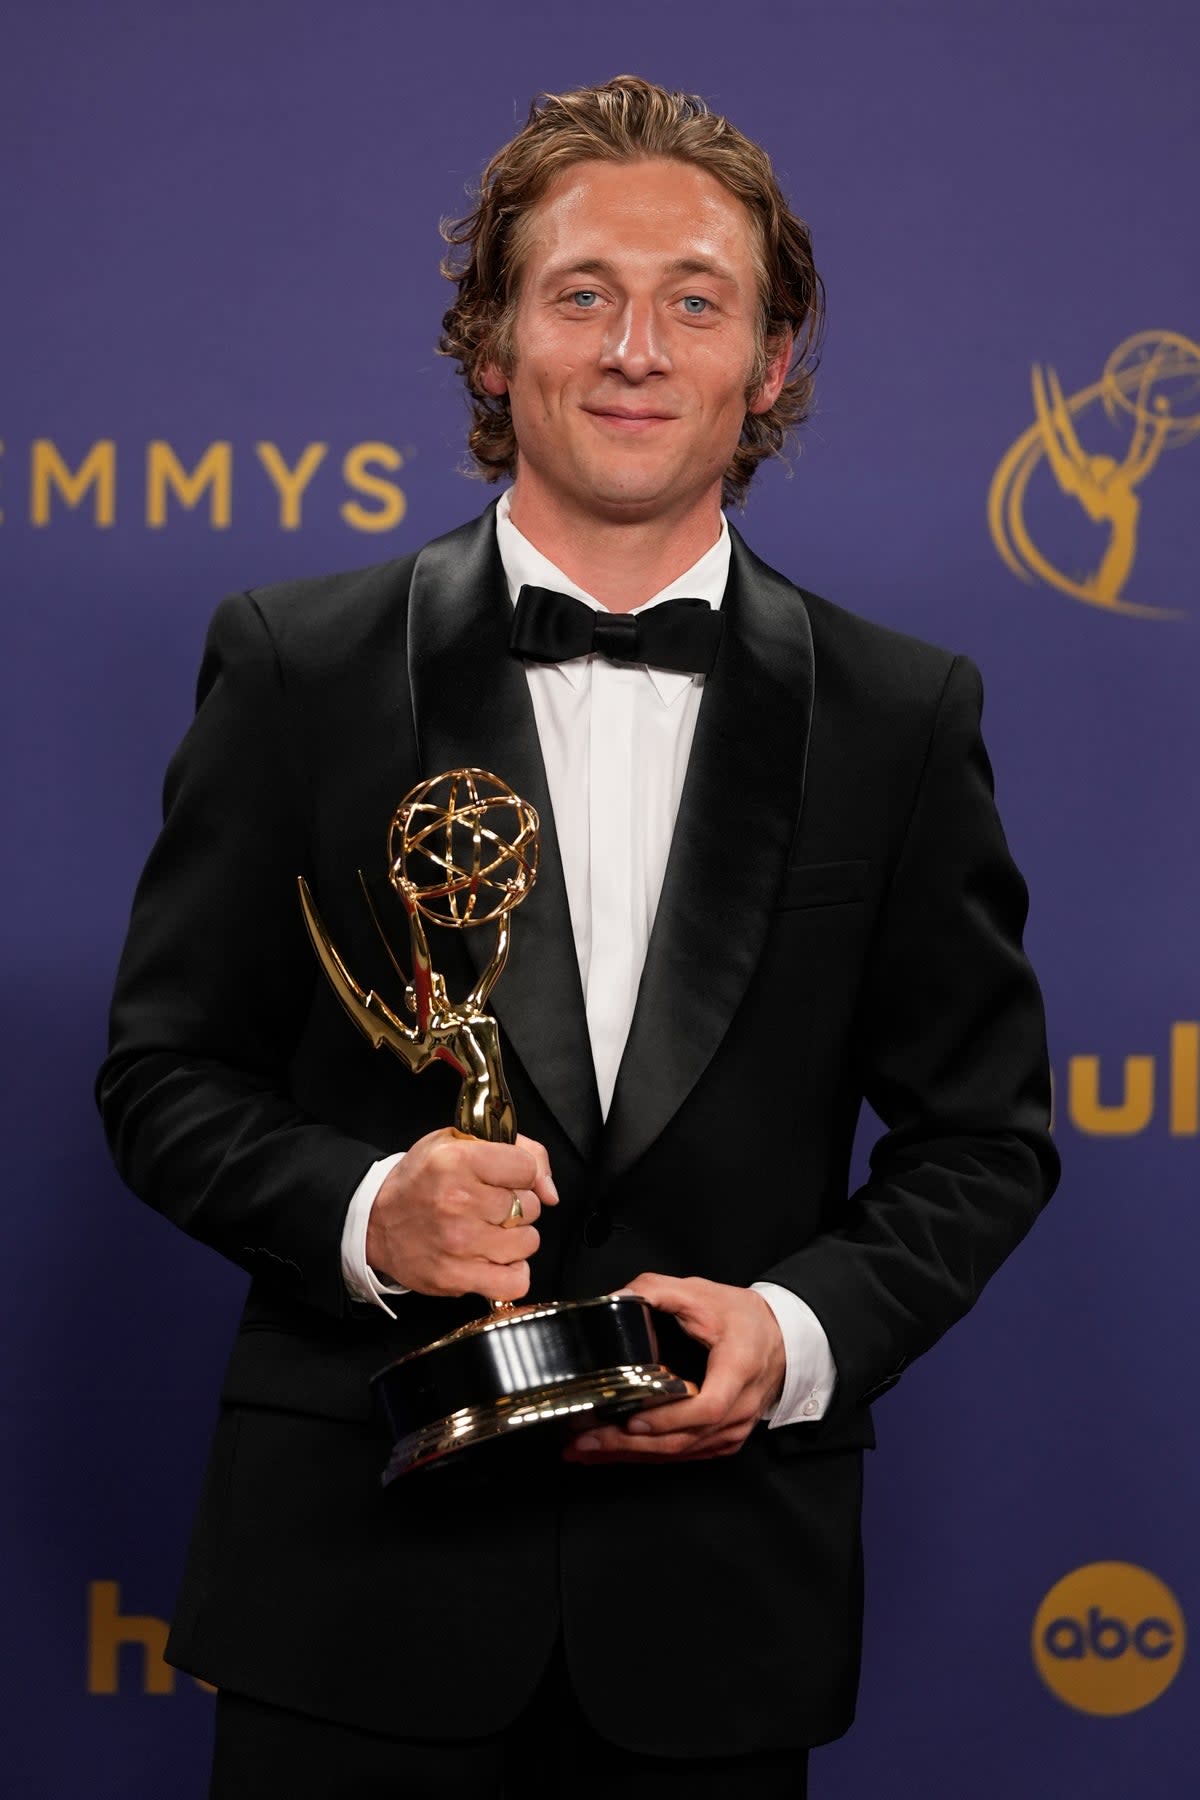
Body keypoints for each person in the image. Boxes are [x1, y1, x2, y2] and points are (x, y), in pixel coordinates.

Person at [98, 74, 1058, 1799]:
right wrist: (368, 1208)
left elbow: (981, 1138)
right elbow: (164, 1076)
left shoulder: (903, 717)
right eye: (582, 294)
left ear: (769, 367)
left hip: (714, 1614)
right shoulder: (300, 666)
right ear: (492, 344)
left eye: (697, 299)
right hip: (350, 1592)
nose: (637, 347)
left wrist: (798, 1332)